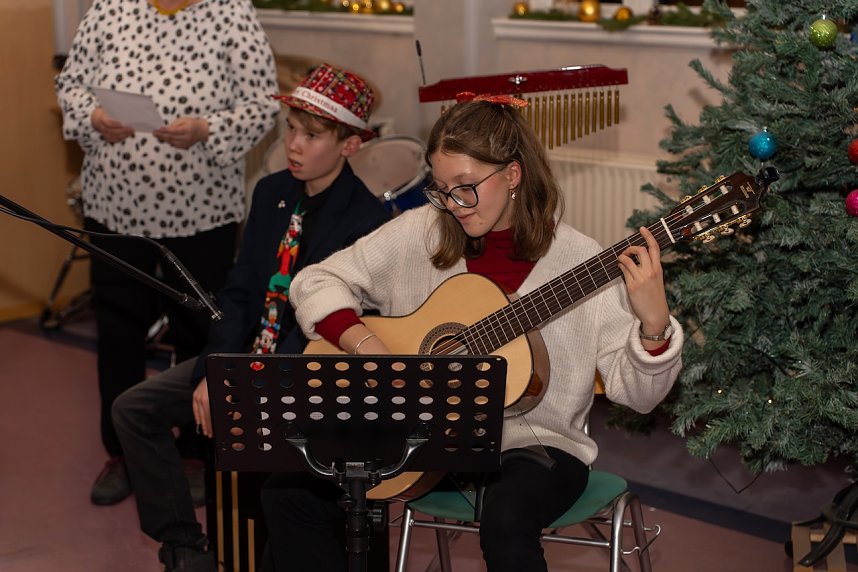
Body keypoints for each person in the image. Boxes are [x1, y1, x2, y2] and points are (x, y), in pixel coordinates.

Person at [261, 94, 684, 571]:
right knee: (287, 495)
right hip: (419, 433)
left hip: (534, 445)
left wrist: (653, 325)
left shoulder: (581, 261)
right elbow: (315, 281)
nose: (452, 204)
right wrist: (372, 349)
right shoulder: (423, 231)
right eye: (440, 188)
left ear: (512, 173)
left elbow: (640, 397)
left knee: (505, 520)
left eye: (465, 186)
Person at [110, 63, 390, 572]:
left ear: (350, 145)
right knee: (134, 410)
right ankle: (184, 547)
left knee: (277, 493)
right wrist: (215, 368)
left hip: (299, 374)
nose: (294, 144)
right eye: (290, 129)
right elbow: (238, 292)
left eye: (311, 135)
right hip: (243, 359)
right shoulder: (271, 193)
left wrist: (243, 384)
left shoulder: (367, 222)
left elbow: (320, 329)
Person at [54, 0, 281, 506]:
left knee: (202, 330)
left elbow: (265, 103)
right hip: (116, 208)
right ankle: (122, 453)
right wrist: (92, 117)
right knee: (118, 331)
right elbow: (69, 85)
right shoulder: (111, 7)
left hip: (201, 211)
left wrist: (207, 129)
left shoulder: (230, 12)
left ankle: (198, 450)